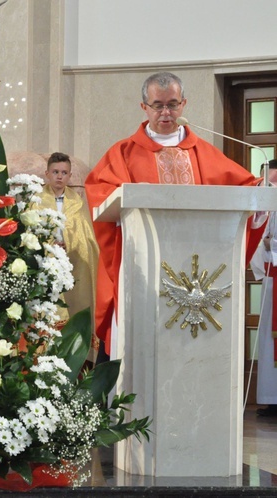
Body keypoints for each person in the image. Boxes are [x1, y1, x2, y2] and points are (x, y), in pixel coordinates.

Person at [85, 71, 262, 357]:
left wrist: (260, 196)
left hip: (199, 274)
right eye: (158, 105)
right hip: (144, 269)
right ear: (144, 107)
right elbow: (100, 194)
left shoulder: (203, 152)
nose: (166, 112)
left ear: (184, 105)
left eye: (173, 104)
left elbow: (244, 190)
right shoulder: (123, 154)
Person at [39, 152, 100, 361]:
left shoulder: (77, 202)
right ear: (47, 173)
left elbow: (87, 238)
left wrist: (70, 244)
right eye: (55, 172)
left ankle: (74, 359)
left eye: (64, 173)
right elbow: (30, 232)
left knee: (73, 308)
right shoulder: (36, 201)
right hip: (45, 265)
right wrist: (48, 245)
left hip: (72, 263)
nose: (59, 177)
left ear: (70, 176)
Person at [250, 160, 277, 416]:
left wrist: (272, 246)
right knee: (268, 342)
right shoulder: (264, 207)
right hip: (271, 280)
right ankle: (271, 398)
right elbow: (257, 241)